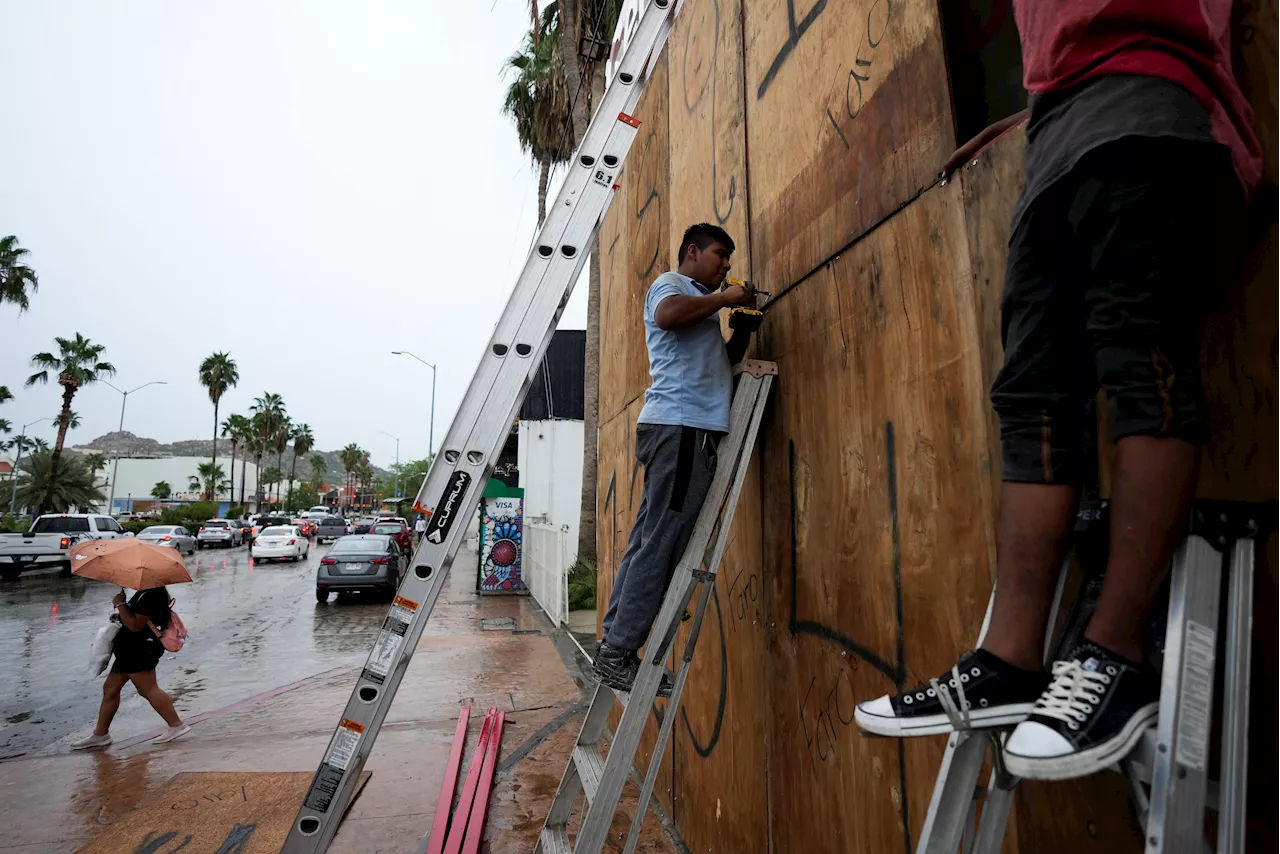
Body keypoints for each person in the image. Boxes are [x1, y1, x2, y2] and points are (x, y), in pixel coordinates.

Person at [855, 0, 1259, 781]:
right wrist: (1022, 121)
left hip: (1148, 97)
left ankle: (1116, 654)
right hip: (1053, 131)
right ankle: (1010, 660)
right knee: (1032, 401)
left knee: (1144, 366)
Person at [594, 223, 758, 693]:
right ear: (693, 252)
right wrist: (725, 300)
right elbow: (666, 316)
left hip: (680, 428)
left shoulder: (698, 306)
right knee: (662, 542)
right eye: (719, 254)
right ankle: (621, 651)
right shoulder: (672, 285)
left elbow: (717, 370)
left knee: (649, 538)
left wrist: (741, 331)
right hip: (682, 429)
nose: (726, 264)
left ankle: (613, 644)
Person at [72, 586, 191, 749]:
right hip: (128, 650)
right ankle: (100, 734)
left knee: (148, 689)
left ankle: (176, 724)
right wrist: (121, 614)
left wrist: (121, 604)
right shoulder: (146, 592)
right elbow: (134, 619)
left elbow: (135, 625)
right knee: (110, 689)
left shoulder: (150, 595)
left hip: (139, 650)